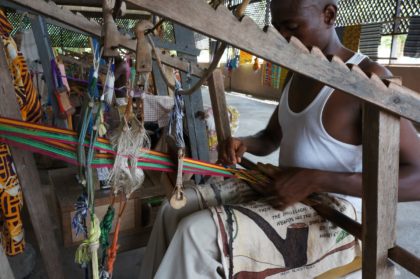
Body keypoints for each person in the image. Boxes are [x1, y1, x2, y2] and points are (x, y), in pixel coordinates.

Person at [139, 0, 420, 278]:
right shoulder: (297, 73)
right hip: (290, 190)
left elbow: (417, 178)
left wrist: (316, 179)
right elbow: (271, 137)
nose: (284, 38)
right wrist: (245, 142)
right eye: (277, 28)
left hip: (339, 217)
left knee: (197, 236)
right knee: (172, 211)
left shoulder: (369, 79)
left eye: (292, 26)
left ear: (329, 14)